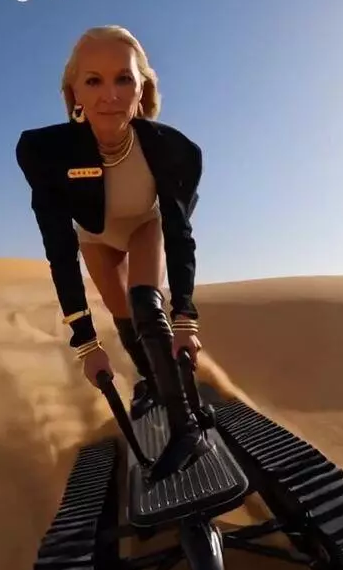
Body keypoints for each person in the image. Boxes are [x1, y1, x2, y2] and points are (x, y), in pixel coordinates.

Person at [15, 24, 211, 481]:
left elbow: (180, 233)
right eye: (93, 80)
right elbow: (59, 247)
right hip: (94, 238)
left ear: (143, 87)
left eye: (124, 79)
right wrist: (87, 344)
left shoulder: (174, 150)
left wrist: (186, 318)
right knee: (124, 317)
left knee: (147, 303)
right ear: (74, 92)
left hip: (145, 224)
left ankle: (187, 431)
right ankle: (152, 383)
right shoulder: (46, 152)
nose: (110, 94)